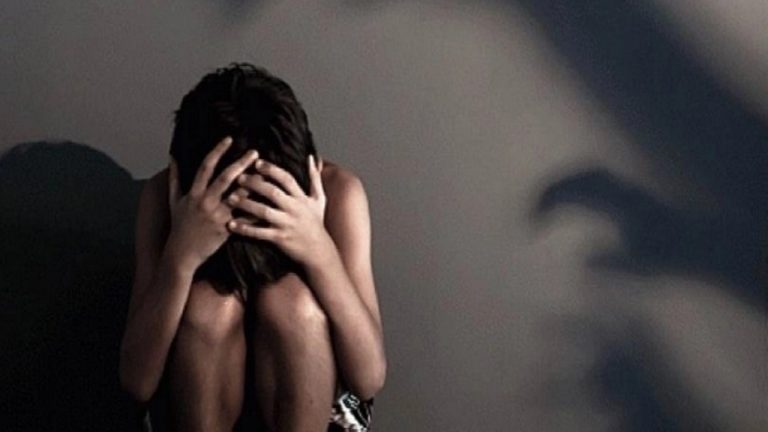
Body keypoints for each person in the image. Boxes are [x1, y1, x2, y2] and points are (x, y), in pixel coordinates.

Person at [119, 63, 386, 432]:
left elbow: (369, 377)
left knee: (292, 303)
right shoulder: (165, 199)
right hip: (192, 401)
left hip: (315, 407)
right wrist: (180, 257)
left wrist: (319, 251)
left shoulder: (339, 193)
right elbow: (137, 381)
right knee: (207, 306)